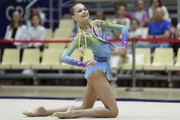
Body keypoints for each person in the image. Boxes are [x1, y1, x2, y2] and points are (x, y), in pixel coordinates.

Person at [22, 3, 128, 118]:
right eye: (79, 11)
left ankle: (44, 110)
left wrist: (123, 45)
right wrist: (83, 63)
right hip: (97, 71)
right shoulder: (81, 36)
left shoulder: (97, 24)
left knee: (85, 107)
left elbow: (123, 28)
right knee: (113, 111)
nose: (84, 11)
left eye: (85, 9)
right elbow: (63, 57)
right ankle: (74, 113)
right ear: (74, 17)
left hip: (98, 69)